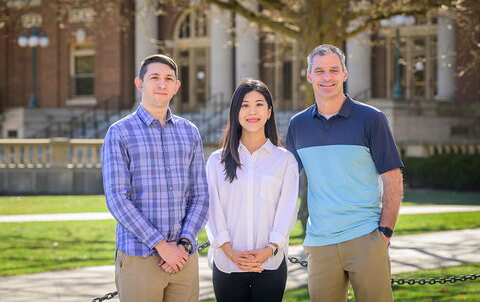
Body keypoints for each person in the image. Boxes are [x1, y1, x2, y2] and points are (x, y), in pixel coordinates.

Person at [286, 44, 404, 302]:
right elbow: (285, 182)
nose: (326, 77)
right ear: (309, 75)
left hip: (365, 237)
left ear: (345, 74)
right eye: (319, 71)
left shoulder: (371, 118)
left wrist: (384, 232)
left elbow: (392, 177)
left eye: (333, 70)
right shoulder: (298, 125)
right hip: (319, 243)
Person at [102, 54, 209, 302]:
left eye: (168, 78)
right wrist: (161, 245)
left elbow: (200, 196)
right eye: (154, 78)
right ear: (139, 83)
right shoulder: (119, 133)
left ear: (176, 86)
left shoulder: (190, 132)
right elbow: (117, 199)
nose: (162, 84)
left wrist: (182, 245)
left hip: (184, 260)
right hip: (140, 257)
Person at [205, 79, 299, 302]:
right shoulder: (217, 161)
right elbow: (211, 209)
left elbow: (287, 210)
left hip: (270, 266)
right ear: (236, 112)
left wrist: (269, 249)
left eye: (259, 104)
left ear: (269, 112)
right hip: (227, 265)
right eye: (245, 105)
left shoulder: (284, 161)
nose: (252, 111)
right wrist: (229, 251)